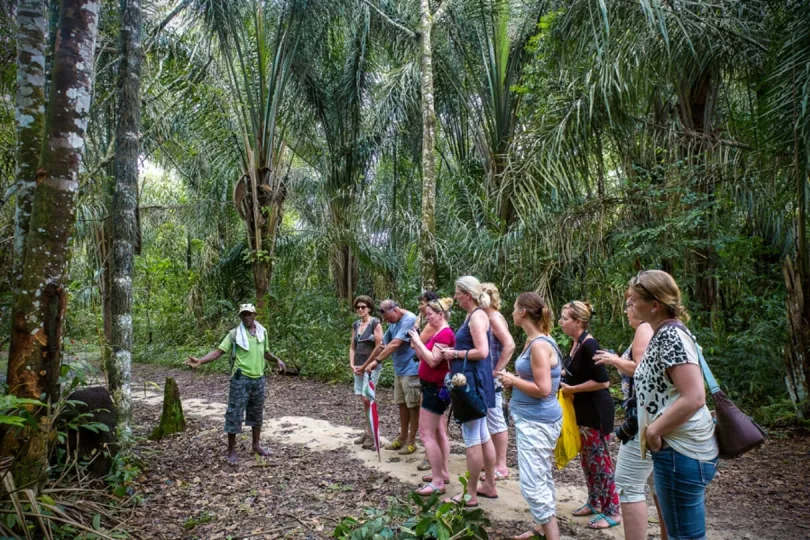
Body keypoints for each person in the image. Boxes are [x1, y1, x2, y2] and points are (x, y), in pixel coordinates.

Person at [628, 270, 718, 540]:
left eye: (634, 300)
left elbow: (695, 396)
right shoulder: (664, 333)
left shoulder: (670, 336)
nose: (629, 305)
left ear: (654, 305)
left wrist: (654, 430)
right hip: (678, 449)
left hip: (681, 450)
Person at [594, 294, 668, 540]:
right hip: (656, 416)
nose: (627, 310)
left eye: (629, 304)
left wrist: (614, 360)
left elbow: (641, 369)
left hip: (644, 418)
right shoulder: (658, 328)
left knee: (628, 484)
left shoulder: (644, 328)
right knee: (657, 485)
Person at [186, 304, 285, 464]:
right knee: (234, 414)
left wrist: (277, 360)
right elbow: (218, 352)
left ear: (254, 315)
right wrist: (200, 361)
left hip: (258, 379)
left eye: (249, 314)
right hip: (241, 379)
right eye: (244, 315)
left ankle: (256, 446)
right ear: (240, 317)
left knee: (256, 413)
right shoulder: (234, 334)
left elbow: (265, 352)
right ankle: (231, 450)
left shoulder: (262, 332)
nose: (247, 317)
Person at [498, 292, 563, 540]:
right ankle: (539, 527)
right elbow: (535, 379)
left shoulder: (540, 345)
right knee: (540, 473)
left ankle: (552, 535)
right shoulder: (533, 340)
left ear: (523, 312)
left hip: (538, 421)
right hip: (531, 418)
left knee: (532, 483)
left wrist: (513, 379)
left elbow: (544, 389)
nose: (512, 313)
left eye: (514, 308)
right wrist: (515, 383)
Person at [558, 300, 621, 530]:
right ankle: (595, 501)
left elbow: (603, 381)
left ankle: (613, 509)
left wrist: (572, 389)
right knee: (588, 460)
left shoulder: (590, 345)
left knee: (600, 461)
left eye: (565, 318)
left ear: (578, 321)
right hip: (581, 412)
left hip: (596, 412)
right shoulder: (576, 343)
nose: (561, 322)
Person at [437, 276, 498, 507]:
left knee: (472, 437)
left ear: (468, 295)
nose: (455, 297)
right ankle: (489, 484)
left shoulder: (476, 317)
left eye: (458, 293)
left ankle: (470, 494)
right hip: (475, 380)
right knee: (482, 435)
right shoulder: (476, 315)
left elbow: (481, 352)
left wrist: (454, 354)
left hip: (471, 382)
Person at [358, 300, 420, 454]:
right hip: (399, 370)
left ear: (395, 310)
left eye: (387, 317)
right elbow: (383, 345)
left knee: (413, 405)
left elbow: (395, 344)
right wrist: (367, 364)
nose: (386, 321)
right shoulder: (393, 322)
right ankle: (402, 437)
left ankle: (412, 441)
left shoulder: (409, 319)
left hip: (412, 369)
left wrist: (377, 361)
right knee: (401, 404)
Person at [408, 297, 455, 496]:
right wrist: (418, 345)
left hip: (435, 389)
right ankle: (441, 472)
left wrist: (419, 341)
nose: (427, 318)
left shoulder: (444, 334)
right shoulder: (438, 333)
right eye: (426, 315)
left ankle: (437, 481)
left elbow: (434, 361)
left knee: (426, 433)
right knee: (436, 432)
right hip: (431, 387)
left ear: (441, 314)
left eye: (430, 314)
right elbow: (424, 358)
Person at [481, 282, 515, 481]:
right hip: (485, 377)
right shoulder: (486, 317)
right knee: (488, 419)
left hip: (491, 377)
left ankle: (501, 465)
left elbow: (509, 344)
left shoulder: (494, 318)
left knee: (496, 419)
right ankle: (492, 462)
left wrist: (497, 370)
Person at [349, 295, 383, 450]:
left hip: (371, 367)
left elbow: (378, 347)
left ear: (369, 308)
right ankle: (367, 430)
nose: (360, 309)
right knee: (363, 400)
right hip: (358, 366)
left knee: (367, 397)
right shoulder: (356, 324)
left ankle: (373, 434)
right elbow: (352, 346)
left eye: (363, 307)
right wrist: (352, 364)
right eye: (358, 307)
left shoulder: (375, 323)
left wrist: (365, 365)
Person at [415, 290, 439, 472]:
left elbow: (417, 344)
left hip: (434, 380)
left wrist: (415, 334)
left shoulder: (433, 326)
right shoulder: (427, 323)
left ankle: (430, 458)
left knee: (433, 421)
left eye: (422, 303)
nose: (420, 307)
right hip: (427, 377)